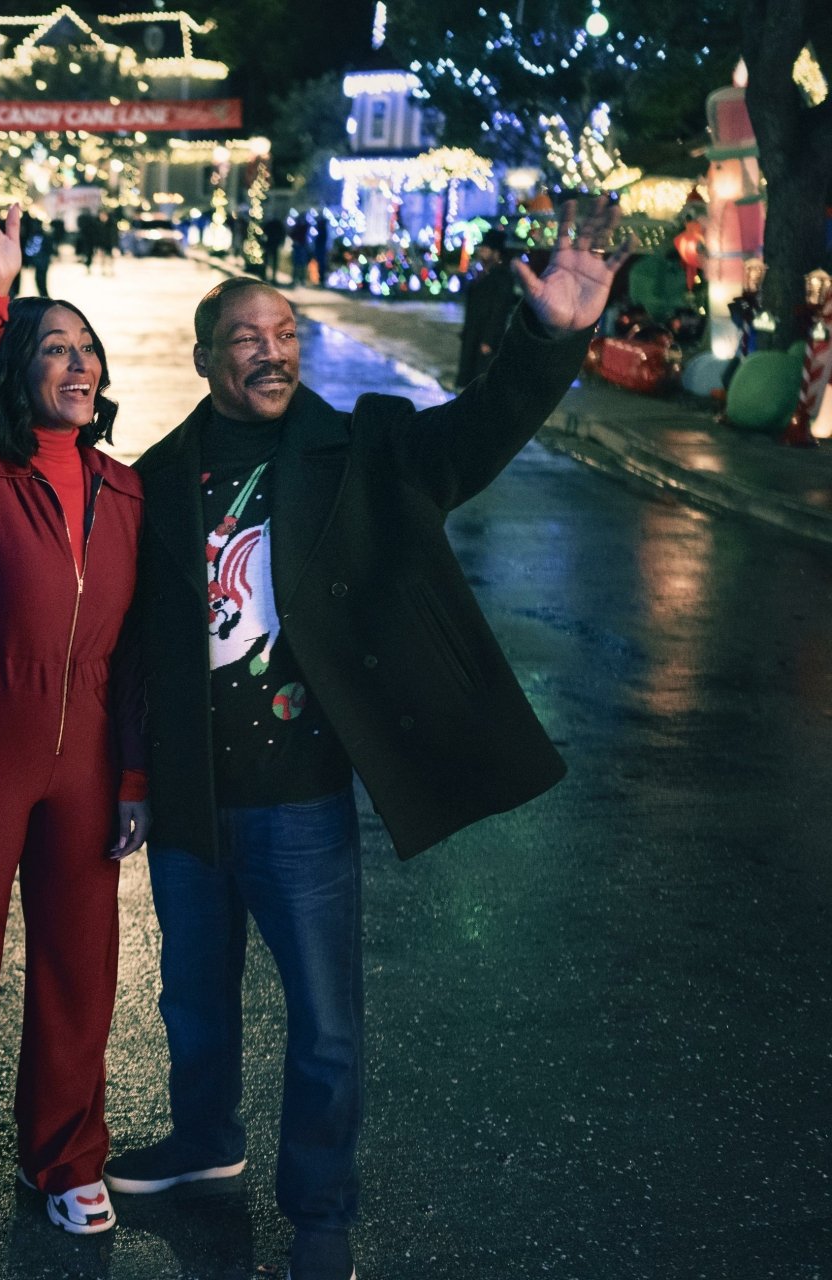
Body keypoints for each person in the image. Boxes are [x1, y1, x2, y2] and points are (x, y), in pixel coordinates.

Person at [108, 199, 632, 1280]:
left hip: (301, 794)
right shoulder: (155, 478)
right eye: (247, 337)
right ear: (204, 357)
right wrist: (131, 774)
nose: (272, 351)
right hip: (193, 793)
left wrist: (552, 338)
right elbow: (129, 645)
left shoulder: (364, 448)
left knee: (327, 1020)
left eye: (286, 334)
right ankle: (206, 1142)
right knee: (191, 996)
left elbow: (479, 431)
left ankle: (322, 1208)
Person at [0, 168, 149, 1243]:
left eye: (87, 350)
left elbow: (146, 646)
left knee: (79, 963)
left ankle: (68, 1154)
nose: (79, 363)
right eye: (56, 348)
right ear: (23, 367)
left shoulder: (128, 488)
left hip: (91, 750)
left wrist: (135, 773)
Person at [457, 228, 520, 387]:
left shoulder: (502, 277)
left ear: (496, 253)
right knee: (469, 381)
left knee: (481, 380)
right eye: (482, 248)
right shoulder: (482, 273)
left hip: (485, 339)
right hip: (473, 334)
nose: (481, 252)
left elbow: (500, 311)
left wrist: (489, 341)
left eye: (486, 249)